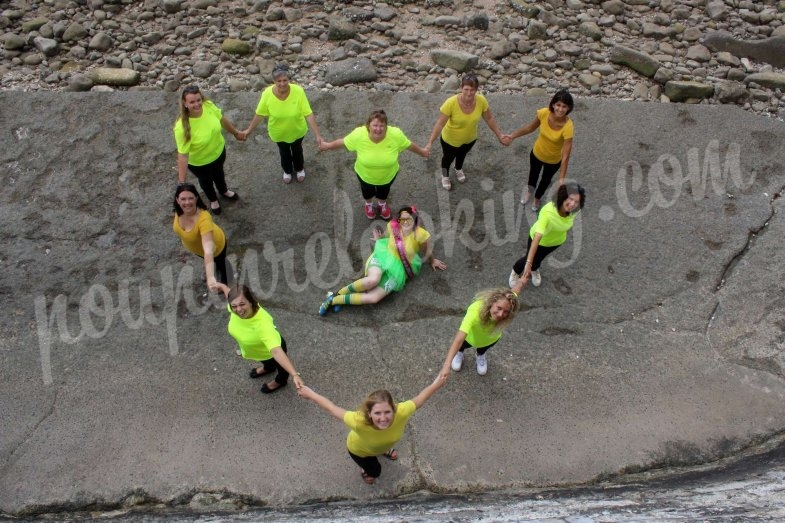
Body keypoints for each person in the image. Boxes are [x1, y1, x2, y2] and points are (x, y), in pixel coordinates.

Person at [297, 375, 445, 485]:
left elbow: (421, 398)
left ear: (393, 410)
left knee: (383, 444)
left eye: (387, 412)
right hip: (360, 451)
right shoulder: (358, 421)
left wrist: (437, 383)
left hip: (380, 445)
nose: (383, 418)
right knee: (375, 471)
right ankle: (365, 469)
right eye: (377, 413)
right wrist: (310, 394)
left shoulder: (402, 411)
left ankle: (384, 450)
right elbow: (331, 408)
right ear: (369, 414)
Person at [318, 206, 446, 315]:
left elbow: (426, 250)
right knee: (373, 280)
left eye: (409, 219)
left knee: (374, 298)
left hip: (399, 269)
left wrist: (432, 261)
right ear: (399, 219)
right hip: (384, 255)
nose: (406, 222)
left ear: (416, 220)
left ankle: (334, 299)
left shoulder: (421, 235)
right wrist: (379, 239)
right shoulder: (393, 226)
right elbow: (386, 236)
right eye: (403, 219)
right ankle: (339, 294)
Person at [319, 109, 429, 220]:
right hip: (365, 176)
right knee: (367, 192)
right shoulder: (359, 134)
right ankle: (369, 204)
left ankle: (382, 204)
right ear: (368, 125)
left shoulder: (396, 135)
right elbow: (342, 142)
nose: (378, 129)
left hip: (388, 176)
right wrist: (327, 146)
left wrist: (422, 152)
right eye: (375, 125)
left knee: (384, 191)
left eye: (382, 125)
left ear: (386, 126)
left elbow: (409, 145)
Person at [211, 283, 305, 394]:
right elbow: (230, 295)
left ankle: (280, 381)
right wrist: (222, 286)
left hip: (271, 350)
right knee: (266, 362)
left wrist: (295, 375)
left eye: (242, 304)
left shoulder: (263, 323)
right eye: (234, 306)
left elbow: (276, 351)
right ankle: (269, 368)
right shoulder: (234, 308)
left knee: (282, 369)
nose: (239, 310)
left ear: (251, 302)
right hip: (256, 350)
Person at [240, 64, 323, 184]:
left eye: (285, 80)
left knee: (297, 150)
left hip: (297, 130)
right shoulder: (267, 94)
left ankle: (299, 168)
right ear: (274, 81)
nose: (282, 84)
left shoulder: (298, 91)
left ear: (289, 80)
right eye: (279, 81)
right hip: (278, 132)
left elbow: (308, 113)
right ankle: (287, 171)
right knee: (284, 152)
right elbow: (260, 114)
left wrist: (318, 135)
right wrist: (248, 130)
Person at [425, 73, 507, 191]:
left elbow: (489, 118)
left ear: (476, 89)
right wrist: (430, 142)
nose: (469, 93)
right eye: (466, 89)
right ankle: (445, 175)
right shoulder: (451, 103)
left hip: (470, 139)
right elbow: (440, 123)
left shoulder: (481, 100)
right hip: (450, 140)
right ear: (461, 88)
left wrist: (499, 135)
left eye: (472, 90)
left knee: (462, 155)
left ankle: (458, 168)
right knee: (447, 159)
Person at [173, 85, 243, 215]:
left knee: (219, 174)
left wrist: (236, 133)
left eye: (198, 100)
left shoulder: (208, 105)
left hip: (219, 153)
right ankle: (213, 199)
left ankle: (223, 191)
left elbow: (222, 120)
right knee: (206, 181)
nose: (197, 104)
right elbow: (182, 155)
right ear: (185, 103)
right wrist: (181, 183)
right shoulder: (181, 127)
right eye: (192, 102)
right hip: (200, 163)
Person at [504, 89, 575, 212]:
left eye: (564, 106)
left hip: (553, 161)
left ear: (568, 108)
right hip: (537, 153)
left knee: (545, 180)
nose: (560, 109)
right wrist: (513, 135)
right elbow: (530, 128)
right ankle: (529, 193)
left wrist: (562, 179)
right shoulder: (543, 113)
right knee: (533, 176)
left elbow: (566, 155)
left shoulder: (568, 127)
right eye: (558, 105)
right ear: (553, 104)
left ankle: (537, 198)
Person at [509, 182, 586, 290]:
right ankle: (516, 271)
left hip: (555, 242)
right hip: (539, 241)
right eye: (570, 199)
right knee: (528, 258)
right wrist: (528, 263)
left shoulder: (574, 211)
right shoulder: (548, 211)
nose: (573, 204)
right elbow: (537, 237)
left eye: (576, 202)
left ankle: (534, 268)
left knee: (539, 259)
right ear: (563, 197)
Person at [440, 288, 521, 377]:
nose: (500, 314)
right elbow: (459, 339)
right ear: (492, 302)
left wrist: (522, 281)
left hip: (490, 339)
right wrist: (446, 365)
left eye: (506, 312)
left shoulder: (509, 300)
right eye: (499, 308)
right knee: (462, 346)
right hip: (469, 339)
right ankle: (459, 353)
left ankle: (480, 354)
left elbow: (516, 291)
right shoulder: (475, 311)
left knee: (483, 348)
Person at [173, 183, 232, 286]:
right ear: (177, 200)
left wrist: (210, 277)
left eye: (190, 198)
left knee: (222, 265)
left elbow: (208, 250)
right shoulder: (178, 211)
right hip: (198, 250)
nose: (187, 203)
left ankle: (226, 281)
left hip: (216, 248)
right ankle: (211, 266)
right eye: (183, 199)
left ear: (196, 198)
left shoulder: (203, 219)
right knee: (212, 262)